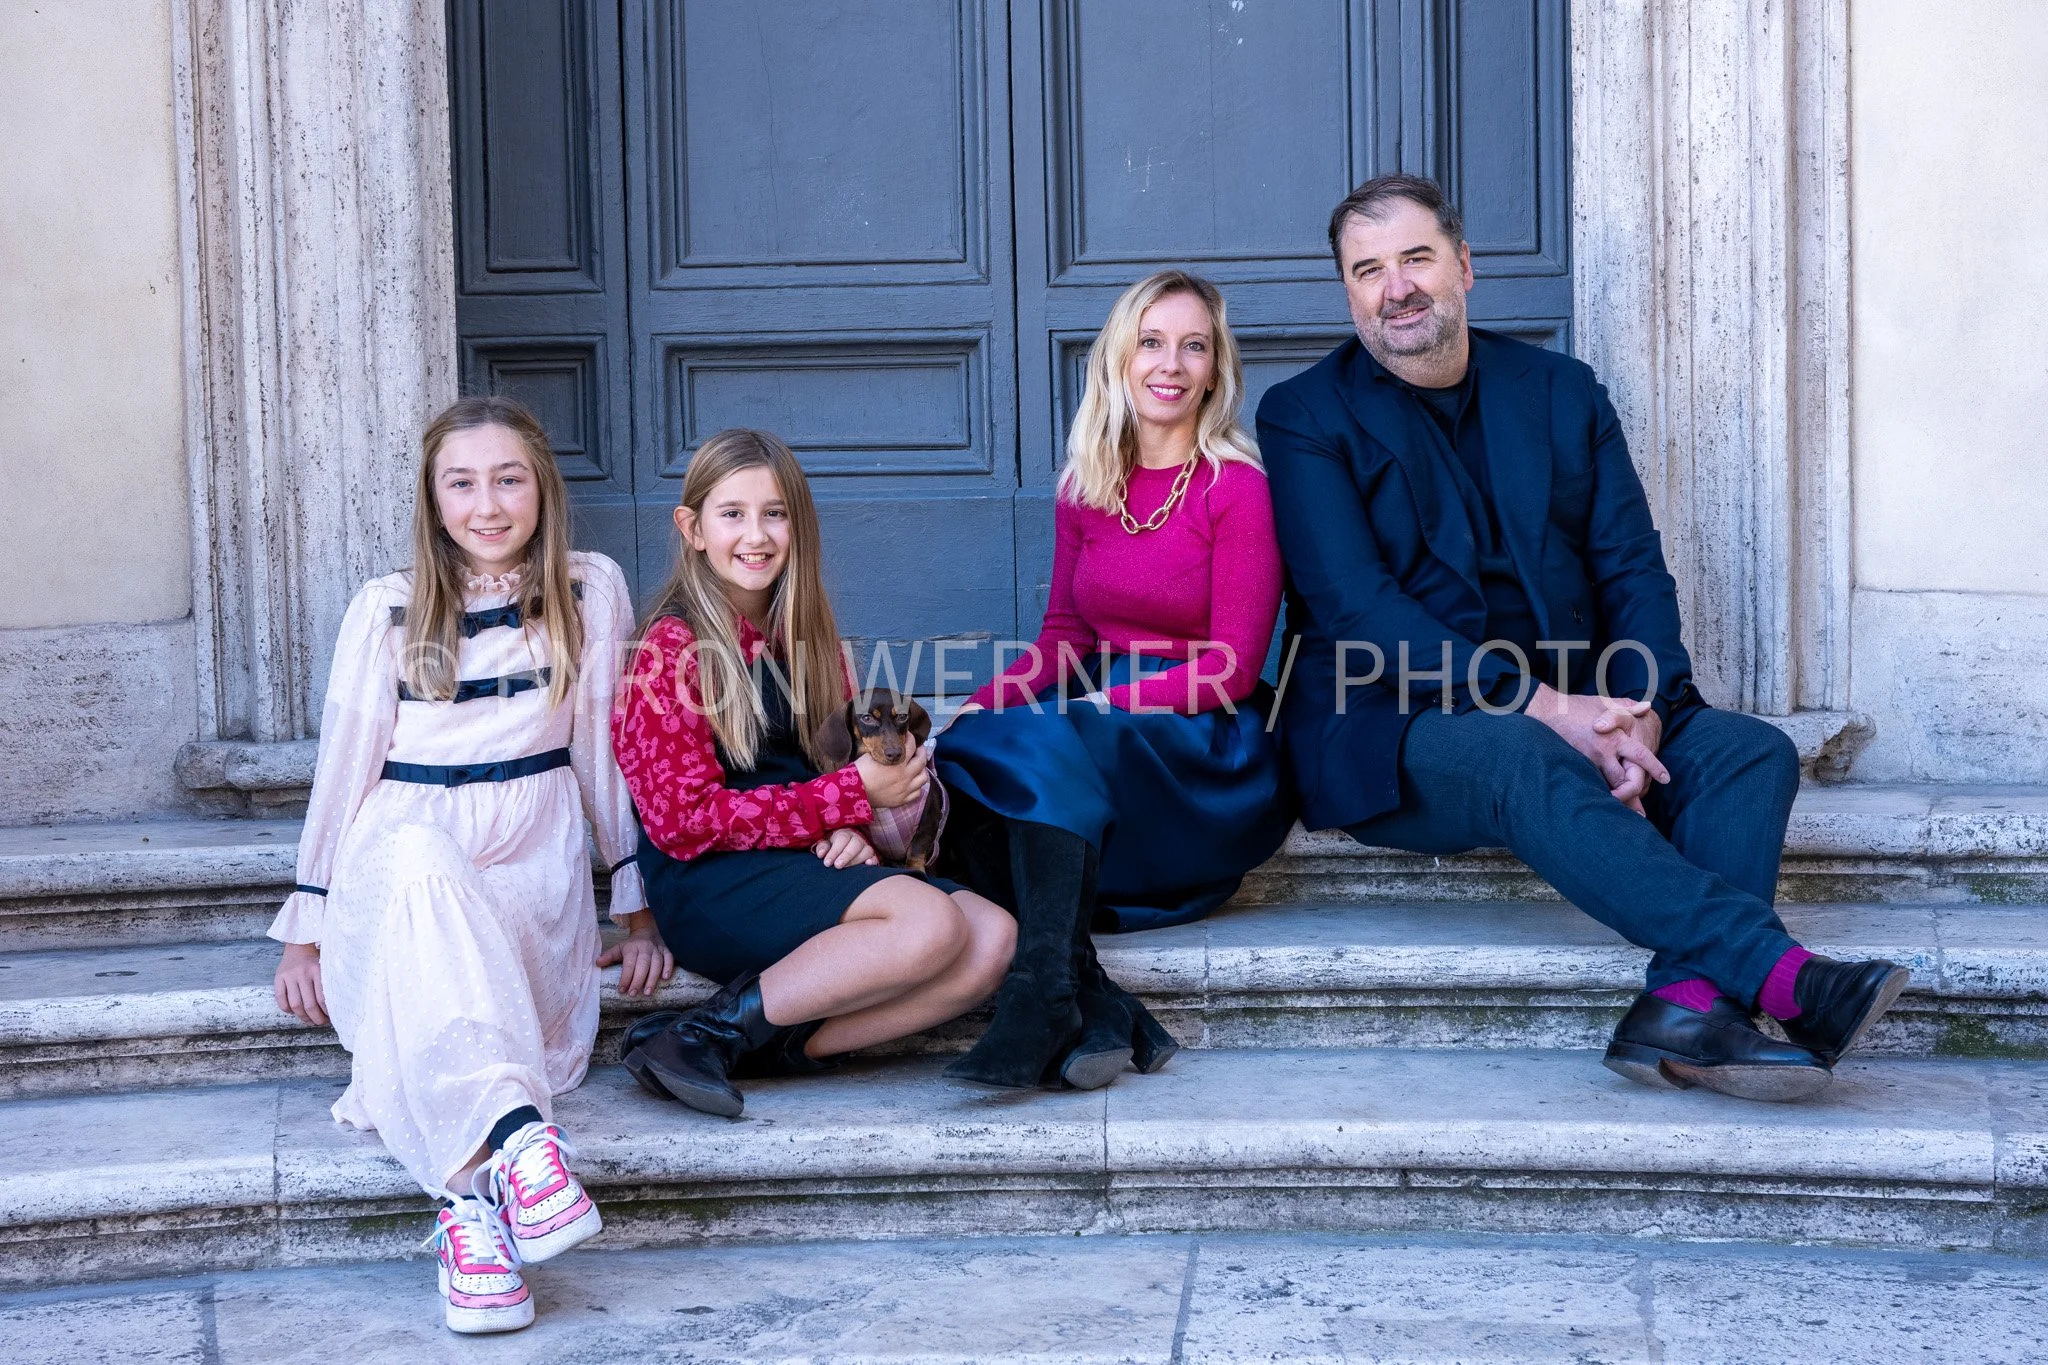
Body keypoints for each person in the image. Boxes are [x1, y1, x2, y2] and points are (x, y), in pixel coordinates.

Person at [1257, 174, 1908, 1101]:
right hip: (1388, 720)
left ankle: (1683, 1006)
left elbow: (1631, 568)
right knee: (1519, 749)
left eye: (1415, 258)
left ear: (1464, 266)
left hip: (1577, 697)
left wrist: (1641, 711)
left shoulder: (1562, 392)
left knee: (1748, 751)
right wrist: (1548, 708)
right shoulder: (1304, 413)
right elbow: (1359, 608)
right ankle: (1787, 979)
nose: (1395, 288)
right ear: (1349, 292)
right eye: (1368, 271)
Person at [269, 396, 665, 1334]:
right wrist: (306, 930)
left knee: (451, 992)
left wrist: (636, 904)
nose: (487, 505)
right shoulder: (388, 607)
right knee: (419, 854)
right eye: (462, 483)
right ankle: (524, 1142)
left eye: (508, 479)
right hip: (395, 871)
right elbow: (343, 773)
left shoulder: (589, 590)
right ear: (433, 498)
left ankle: (471, 1216)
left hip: (528, 873)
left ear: (542, 487)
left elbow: (601, 756)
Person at [934, 269, 1295, 1091]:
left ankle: (1050, 997)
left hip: (1199, 735)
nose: (1171, 364)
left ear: (1215, 368)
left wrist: (1104, 702)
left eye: (1194, 346)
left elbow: (1233, 666)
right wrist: (968, 712)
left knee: (1046, 742)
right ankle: (1084, 1000)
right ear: (1119, 357)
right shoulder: (1085, 485)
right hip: (1097, 722)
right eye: (1152, 342)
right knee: (959, 762)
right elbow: (1063, 639)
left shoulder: (1237, 488)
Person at [612, 428, 1016, 1118]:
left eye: (775, 513)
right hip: (710, 877)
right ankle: (703, 1032)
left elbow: (828, 767)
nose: (756, 534)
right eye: (732, 514)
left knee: (991, 937)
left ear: (797, 525)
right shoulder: (669, 648)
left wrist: (851, 826)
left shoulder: (810, 638)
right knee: (928, 924)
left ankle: (743, 1047)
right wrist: (847, 797)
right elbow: (682, 822)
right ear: (693, 529)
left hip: (794, 857)